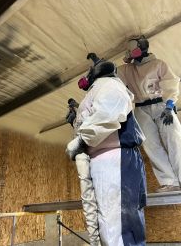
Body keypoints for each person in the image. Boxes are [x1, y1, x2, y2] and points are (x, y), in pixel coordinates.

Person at [66, 53, 146, 246]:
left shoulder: (108, 84)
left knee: (117, 228)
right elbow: (99, 118)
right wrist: (77, 125)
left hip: (115, 159)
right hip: (105, 159)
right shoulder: (97, 89)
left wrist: (81, 140)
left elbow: (109, 112)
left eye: (91, 70)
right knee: (109, 226)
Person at [118, 35, 181, 193]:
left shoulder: (158, 64)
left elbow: (171, 84)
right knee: (151, 145)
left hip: (162, 105)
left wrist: (170, 105)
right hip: (141, 108)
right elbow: (113, 75)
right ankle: (169, 182)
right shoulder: (126, 70)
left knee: (174, 140)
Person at [66, 98, 101, 246]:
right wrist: (72, 122)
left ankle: (102, 239)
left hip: (94, 150)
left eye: (74, 104)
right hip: (81, 152)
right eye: (71, 106)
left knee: (97, 192)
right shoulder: (77, 119)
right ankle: (94, 241)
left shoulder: (91, 109)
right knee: (87, 195)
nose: (72, 107)